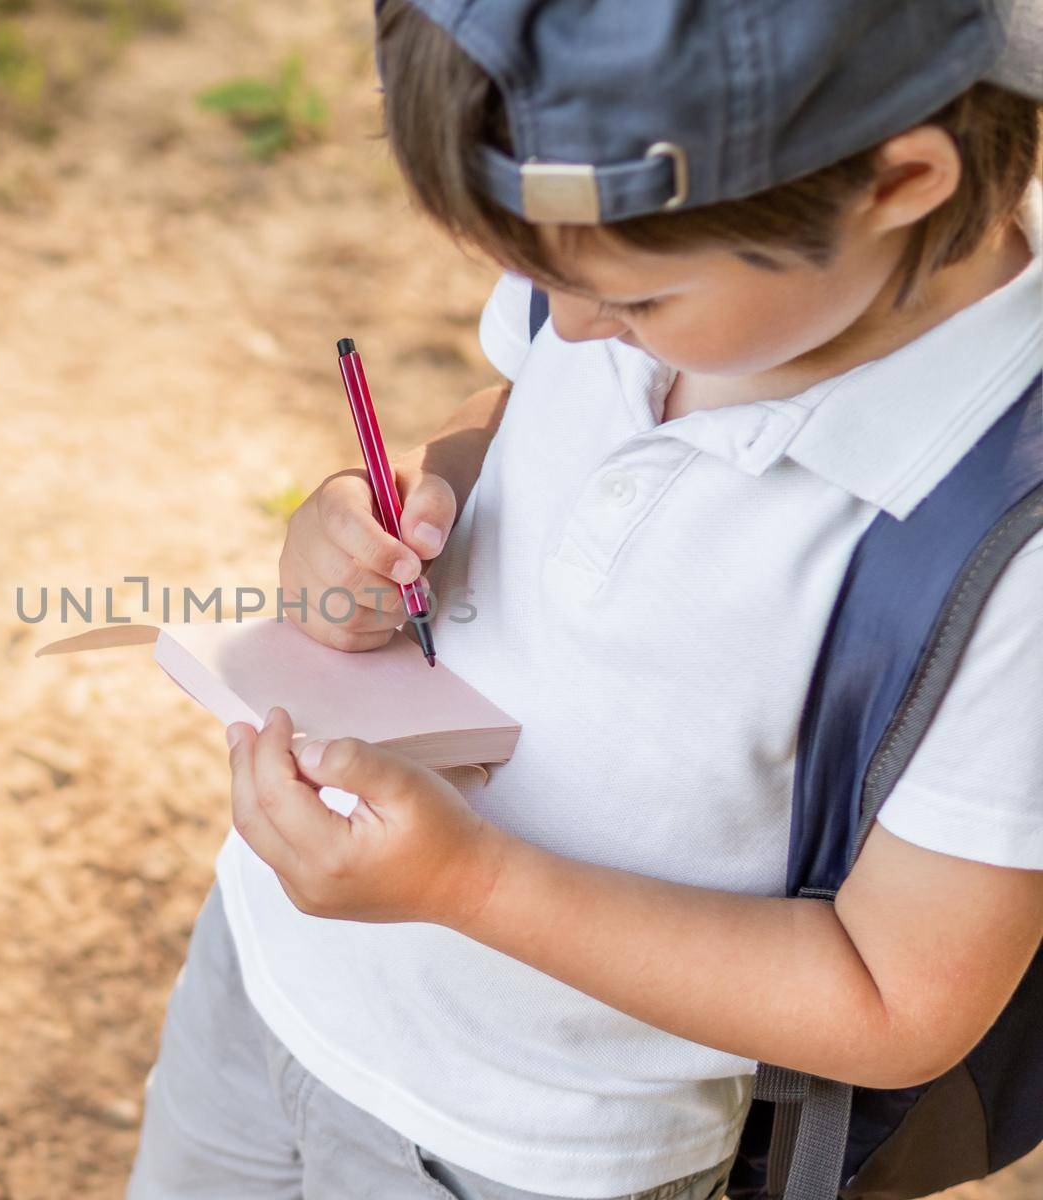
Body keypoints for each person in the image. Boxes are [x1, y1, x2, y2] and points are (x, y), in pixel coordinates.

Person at [127, 2, 1043, 1197]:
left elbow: (892, 998)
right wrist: (395, 516)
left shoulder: (1008, 550)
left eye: (637, 303)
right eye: (532, 276)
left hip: (537, 1148)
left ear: (895, 183)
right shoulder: (643, 250)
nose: (566, 326)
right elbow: (516, 419)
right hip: (266, 977)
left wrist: (470, 884)